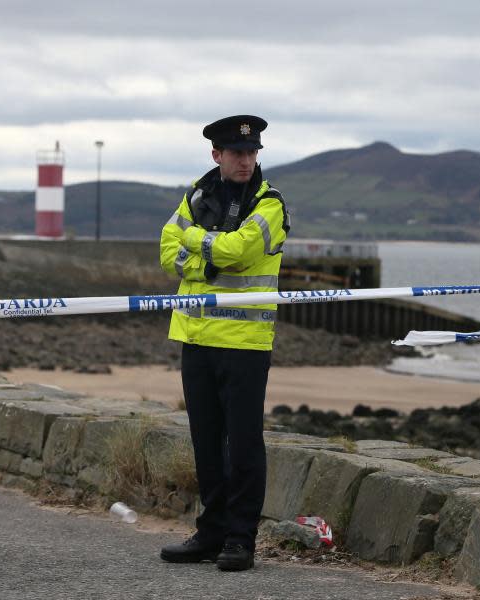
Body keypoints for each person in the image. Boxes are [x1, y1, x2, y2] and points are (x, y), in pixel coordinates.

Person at [158, 115, 290, 571]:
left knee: (244, 443)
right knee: (206, 442)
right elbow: (165, 250)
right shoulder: (196, 195)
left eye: (252, 153)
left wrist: (196, 245)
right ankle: (211, 532)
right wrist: (208, 256)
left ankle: (241, 539)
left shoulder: (270, 203)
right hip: (195, 336)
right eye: (237, 153)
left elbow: (238, 255)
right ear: (217, 155)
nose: (246, 161)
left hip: (245, 341)